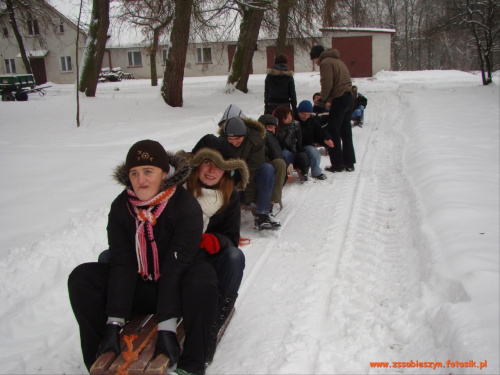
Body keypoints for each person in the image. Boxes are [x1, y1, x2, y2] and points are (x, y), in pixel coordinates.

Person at [68, 140, 218, 375]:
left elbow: (176, 266)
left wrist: (166, 328)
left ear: (164, 173)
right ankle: (99, 357)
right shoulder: (122, 207)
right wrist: (113, 323)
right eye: (135, 173)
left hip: (176, 290)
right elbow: (122, 263)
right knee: (82, 278)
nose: (141, 180)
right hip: (140, 288)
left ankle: (191, 364)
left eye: (148, 172)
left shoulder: (185, 206)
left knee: (203, 277)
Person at [183, 134, 249, 364]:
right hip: (178, 260)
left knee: (234, 256)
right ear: (197, 165)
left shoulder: (228, 197)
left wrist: (216, 240)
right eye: (207, 163)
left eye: (219, 167)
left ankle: (213, 326)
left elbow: (231, 236)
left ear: (227, 171)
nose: (211, 171)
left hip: (207, 261)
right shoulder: (181, 191)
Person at [218, 109, 281, 230]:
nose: (234, 142)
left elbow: (254, 169)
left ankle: (262, 214)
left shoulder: (255, 140)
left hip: (253, 181)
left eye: (237, 139)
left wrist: (249, 197)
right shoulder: (222, 142)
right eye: (230, 139)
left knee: (267, 169)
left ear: (244, 135)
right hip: (232, 182)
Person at [310, 45, 356, 172]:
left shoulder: (325, 63)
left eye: (314, 60)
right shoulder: (338, 61)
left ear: (317, 56)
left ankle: (337, 164)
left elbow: (327, 84)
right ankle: (349, 162)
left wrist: (322, 102)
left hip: (339, 98)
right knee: (346, 131)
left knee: (333, 130)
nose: (315, 62)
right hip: (348, 97)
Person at [295, 100, 331, 180]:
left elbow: (320, 132)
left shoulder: (313, 122)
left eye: (308, 114)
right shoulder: (293, 120)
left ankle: (316, 172)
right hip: (294, 145)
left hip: (307, 144)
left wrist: (327, 139)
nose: (305, 116)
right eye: (303, 114)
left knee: (315, 152)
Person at [273, 105, 310, 182]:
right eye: (287, 116)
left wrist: (296, 154)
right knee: (285, 154)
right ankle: (283, 173)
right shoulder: (276, 128)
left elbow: (299, 143)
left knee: (304, 156)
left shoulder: (296, 124)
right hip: (282, 154)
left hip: (295, 151)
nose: (290, 117)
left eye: (290, 115)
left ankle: (304, 173)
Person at [258, 114, 287, 212]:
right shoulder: (267, 136)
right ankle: (271, 202)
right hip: (261, 168)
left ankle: (271, 201)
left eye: (274, 128)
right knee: (281, 163)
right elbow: (277, 156)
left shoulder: (273, 137)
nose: (273, 130)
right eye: (270, 127)